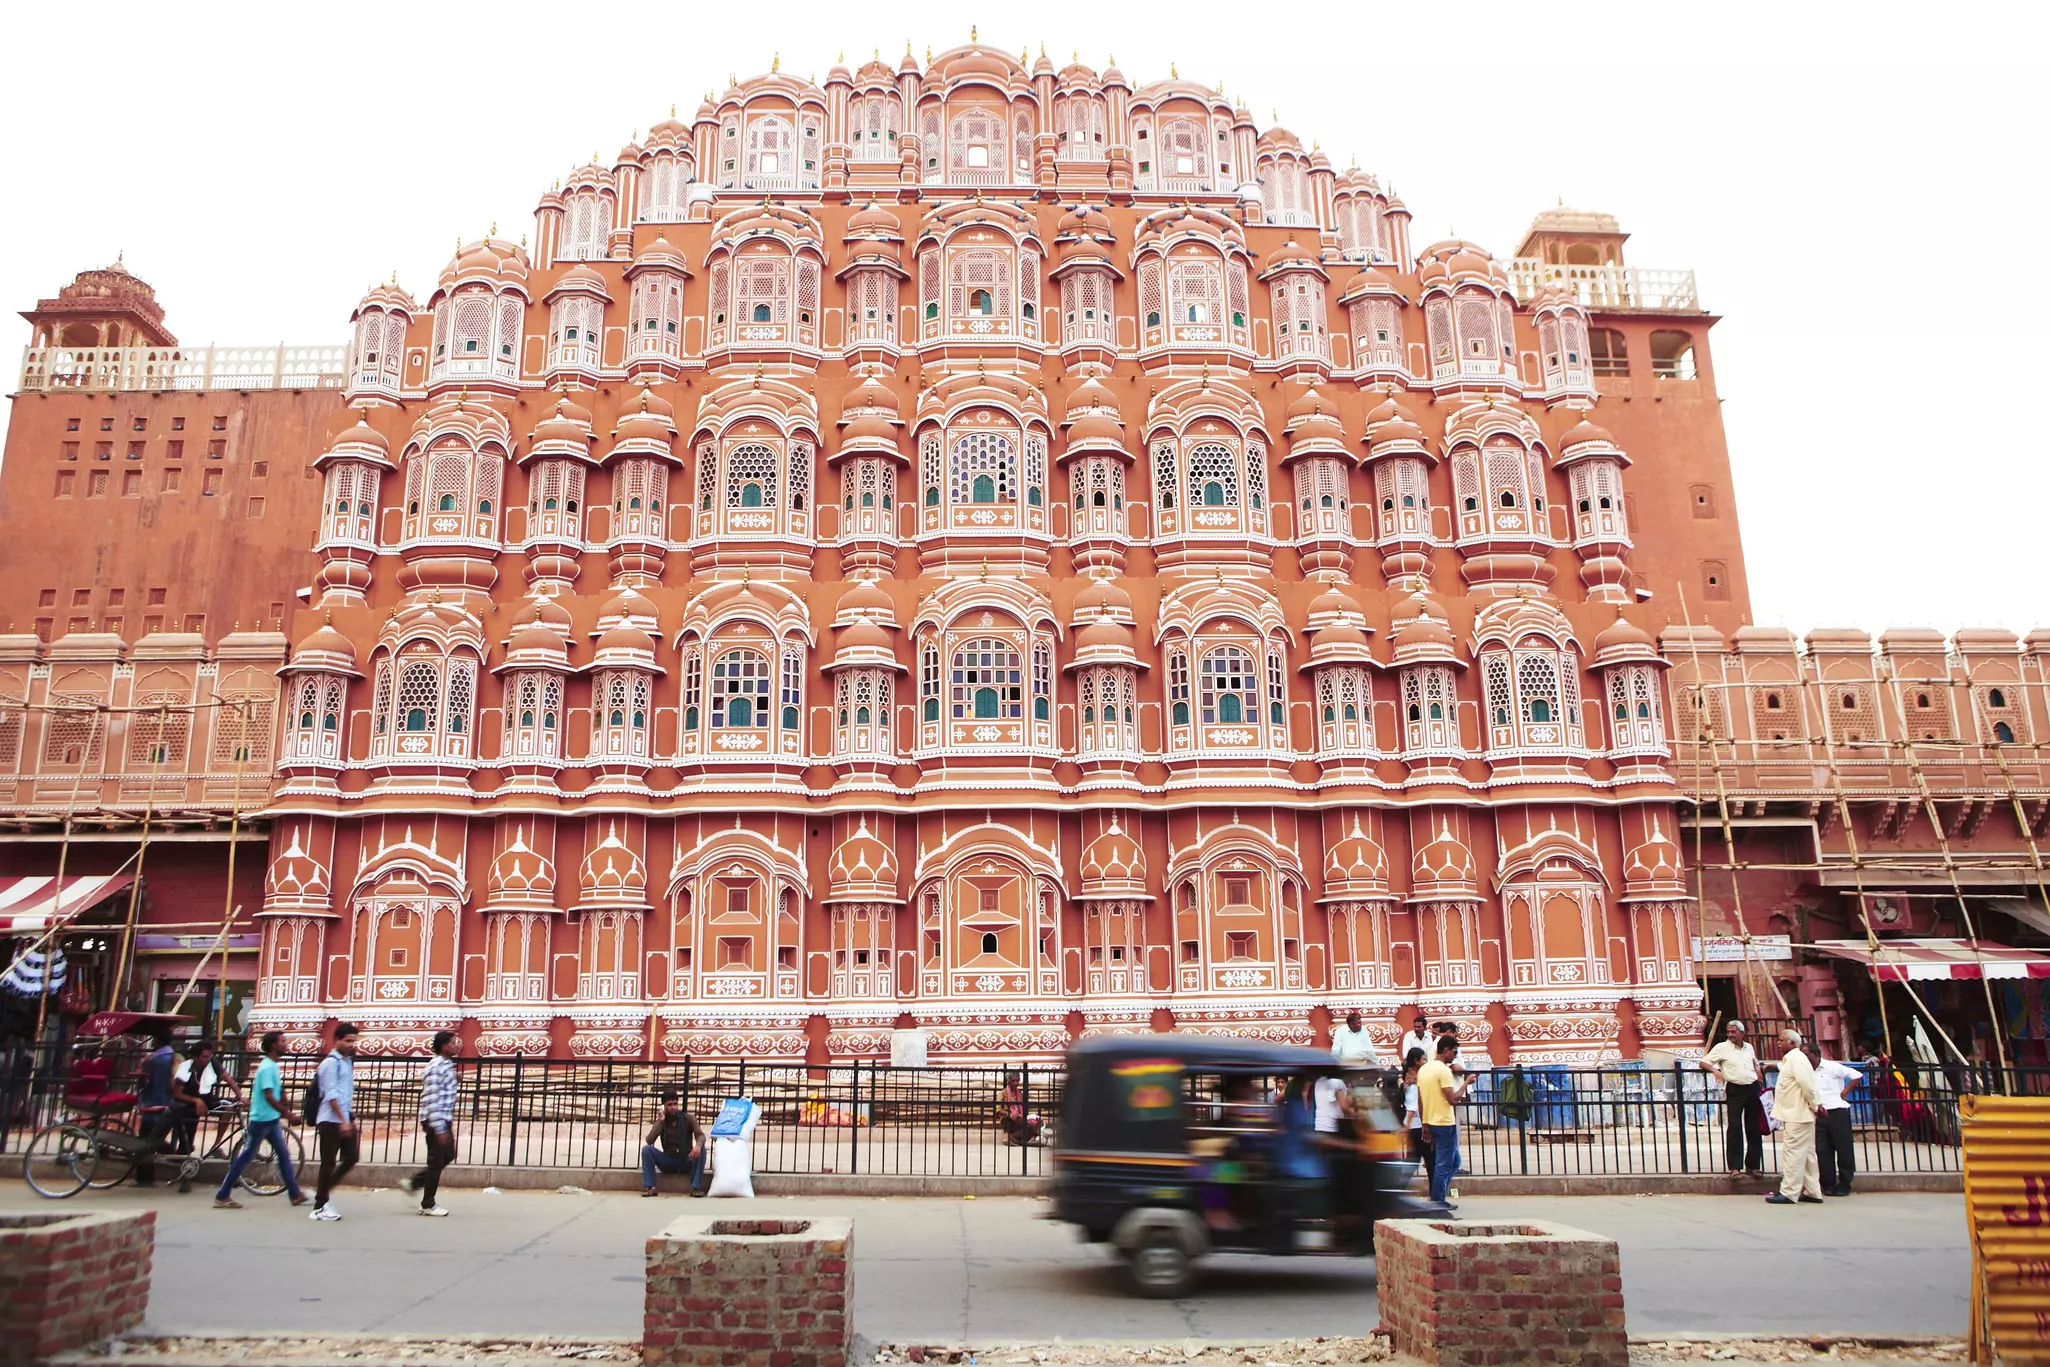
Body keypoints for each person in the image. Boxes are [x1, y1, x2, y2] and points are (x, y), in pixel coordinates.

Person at [214, 1030, 305, 1209]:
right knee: (247, 1156)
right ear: (273, 1045)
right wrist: (288, 1115)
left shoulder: (271, 1066)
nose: (286, 1044)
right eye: (282, 1041)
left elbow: (275, 1090)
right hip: (262, 1119)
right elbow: (269, 1096)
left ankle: (295, 1194)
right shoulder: (266, 1067)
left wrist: (284, 1099)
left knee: (282, 1155)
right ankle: (222, 1194)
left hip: (269, 1119)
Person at [402, 1030, 459, 1216]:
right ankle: (428, 1203)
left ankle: (415, 1183)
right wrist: (439, 1127)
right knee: (436, 1161)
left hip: (444, 1117)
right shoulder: (436, 1067)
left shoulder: (447, 1065)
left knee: (448, 1155)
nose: (457, 1045)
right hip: (437, 1119)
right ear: (444, 1046)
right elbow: (432, 1098)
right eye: (453, 1042)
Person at [1767, 1029, 1824, 1205]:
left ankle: (1789, 1192)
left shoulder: (1796, 1059)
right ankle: (1813, 1190)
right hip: (1798, 1113)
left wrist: (1815, 1104)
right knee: (1807, 1154)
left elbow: (1807, 1085)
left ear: (1792, 1043)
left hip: (1797, 1114)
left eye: (1781, 1040)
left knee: (1793, 1154)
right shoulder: (1792, 1059)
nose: (1778, 1042)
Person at [1701, 1020, 1764, 1178]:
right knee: (1735, 1127)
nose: (1730, 1035)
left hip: (1752, 1087)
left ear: (1742, 1033)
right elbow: (1703, 1062)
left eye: (1733, 1032)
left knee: (1754, 1128)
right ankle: (1735, 1167)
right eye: (1728, 1032)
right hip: (1735, 1088)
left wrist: (1758, 1073)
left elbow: (1754, 1062)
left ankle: (1753, 1166)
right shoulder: (1722, 1047)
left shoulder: (1748, 1047)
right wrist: (1715, 1070)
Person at [310, 1022, 360, 1221]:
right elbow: (331, 1095)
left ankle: (323, 1192)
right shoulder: (330, 1063)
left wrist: (349, 1117)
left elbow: (344, 1093)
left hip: (342, 1117)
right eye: (347, 1041)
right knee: (328, 1162)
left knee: (351, 1157)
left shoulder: (346, 1062)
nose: (351, 1045)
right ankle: (320, 1205)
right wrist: (342, 1120)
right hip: (330, 1119)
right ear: (337, 1040)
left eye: (353, 1041)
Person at [1417, 1035, 1470, 1209]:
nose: (1455, 1056)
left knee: (1453, 1162)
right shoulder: (1443, 1071)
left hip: (1431, 1121)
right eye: (1454, 1052)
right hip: (1444, 1122)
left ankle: (1437, 1197)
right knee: (1443, 1164)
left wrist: (1424, 1123)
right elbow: (1453, 1099)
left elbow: (1420, 1099)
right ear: (1446, 1050)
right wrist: (1466, 1083)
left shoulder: (1424, 1069)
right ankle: (1437, 1201)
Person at [1813, 1041, 1863, 1197]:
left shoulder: (1832, 1067)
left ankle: (1844, 1183)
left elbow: (1856, 1075)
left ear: (1815, 1055)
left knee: (1843, 1149)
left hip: (1837, 1111)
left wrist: (1845, 1092)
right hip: (1820, 1112)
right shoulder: (1805, 1070)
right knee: (1823, 1150)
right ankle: (1828, 1183)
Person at [132, 1025, 179, 1189]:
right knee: (155, 1140)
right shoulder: (174, 1057)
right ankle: (176, 1162)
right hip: (167, 1104)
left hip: (151, 1104)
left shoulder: (154, 1060)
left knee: (146, 1142)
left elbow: (142, 1082)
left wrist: (142, 1065)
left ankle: (144, 1179)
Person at [640, 1089, 707, 1197]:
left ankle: (695, 1188)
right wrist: (661, 1121)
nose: (673, 1107)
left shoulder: (688, 1118)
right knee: (646, 1150)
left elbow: (700, 1135)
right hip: (668, 1161)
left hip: (685, 1160)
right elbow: (649, 1140)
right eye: (669, 1105)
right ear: (664, 1106)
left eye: (675, 1104)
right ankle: (650, 1187)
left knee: (702, 1151)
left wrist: (698, 1146)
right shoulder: (661, 1121)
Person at [1401, 1047, 1430, 1185]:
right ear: (1416, 1061)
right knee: (1428, 1160)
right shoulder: (1414, 1082)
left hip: (1416, 1125)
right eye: (1423, 1059)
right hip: (1417, 1125)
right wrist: (1407, 1125)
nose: (1426, 1062)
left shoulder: (1412, 1078)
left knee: (1413, 1160)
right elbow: (1412, 1106)